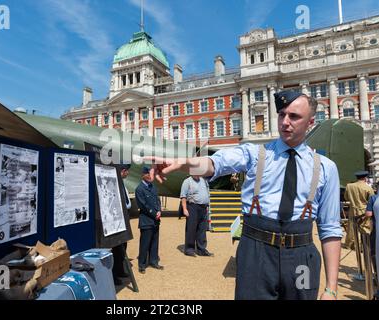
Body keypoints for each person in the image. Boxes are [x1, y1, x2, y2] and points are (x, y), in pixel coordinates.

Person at [146, 90, 342, 300]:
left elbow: (330, 228)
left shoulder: (326, 168)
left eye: (294, 116)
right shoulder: (254, 154)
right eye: (282, 114)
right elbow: (215, 164)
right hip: (256, 253)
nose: (285, 122)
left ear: (310, 122)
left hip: (302, 256)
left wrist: (331, 288)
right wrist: (184, 163)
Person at [135, 166, 164, 274]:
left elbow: (158, 200)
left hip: (155, 220)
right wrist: (154, 213)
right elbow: (143, 205)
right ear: (143, 175)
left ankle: (153, 261)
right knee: (145, 243)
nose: (150, 176)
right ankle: (142, 265)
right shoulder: (139, 189)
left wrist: (159, 211)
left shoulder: (153, 187)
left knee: (154, 242)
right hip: (146, 220)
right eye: (148, 174)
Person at [180, 175, 213, 257]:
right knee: (191, 228)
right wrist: (184, 209)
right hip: (192, 207)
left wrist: (208, 205)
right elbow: (183, 196)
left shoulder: (204, 180)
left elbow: (207, 193)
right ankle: (189, 249)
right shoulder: (187, 181)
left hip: (203, 207)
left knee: (202, 229)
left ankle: (201, 249)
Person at [344, 171, 374, 250]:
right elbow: (372, 200)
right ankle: (362, 246)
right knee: (365, 228)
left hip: (352, 209)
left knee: (351, 228)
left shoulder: (349, 186)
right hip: (364, 210)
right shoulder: (368, 188)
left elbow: (346, 197)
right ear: (365, 178)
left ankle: (350, 245)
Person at [112, 164, 131, 285]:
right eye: (127, 171)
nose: (128, 173)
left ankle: (120, 270)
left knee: (123, 247)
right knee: (116, 249)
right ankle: (114, 275)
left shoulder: (122, 183)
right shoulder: (115, 183)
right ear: (123, 171)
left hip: (125, 217)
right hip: (117, 219)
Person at [365, 183, 379, 299]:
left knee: (374, 255)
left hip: (375, 231)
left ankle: (377, 277)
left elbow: (368, 213)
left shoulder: (374, 198)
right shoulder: (367, 188)